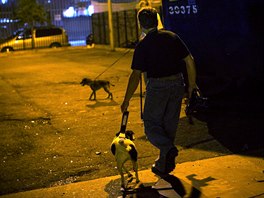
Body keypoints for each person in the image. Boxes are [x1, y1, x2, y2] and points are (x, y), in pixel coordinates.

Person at [120, 7, 197, 176]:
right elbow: (189, 60)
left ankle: (168, 149)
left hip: (157, 87)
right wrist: (191, 86)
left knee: (151, 126)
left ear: (140, 24)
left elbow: (136, 75)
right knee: (169, 127)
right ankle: (163, 165)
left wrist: (126, 100)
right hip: (177, 84)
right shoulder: (172, 36)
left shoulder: (143, 45)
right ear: (157, 20)